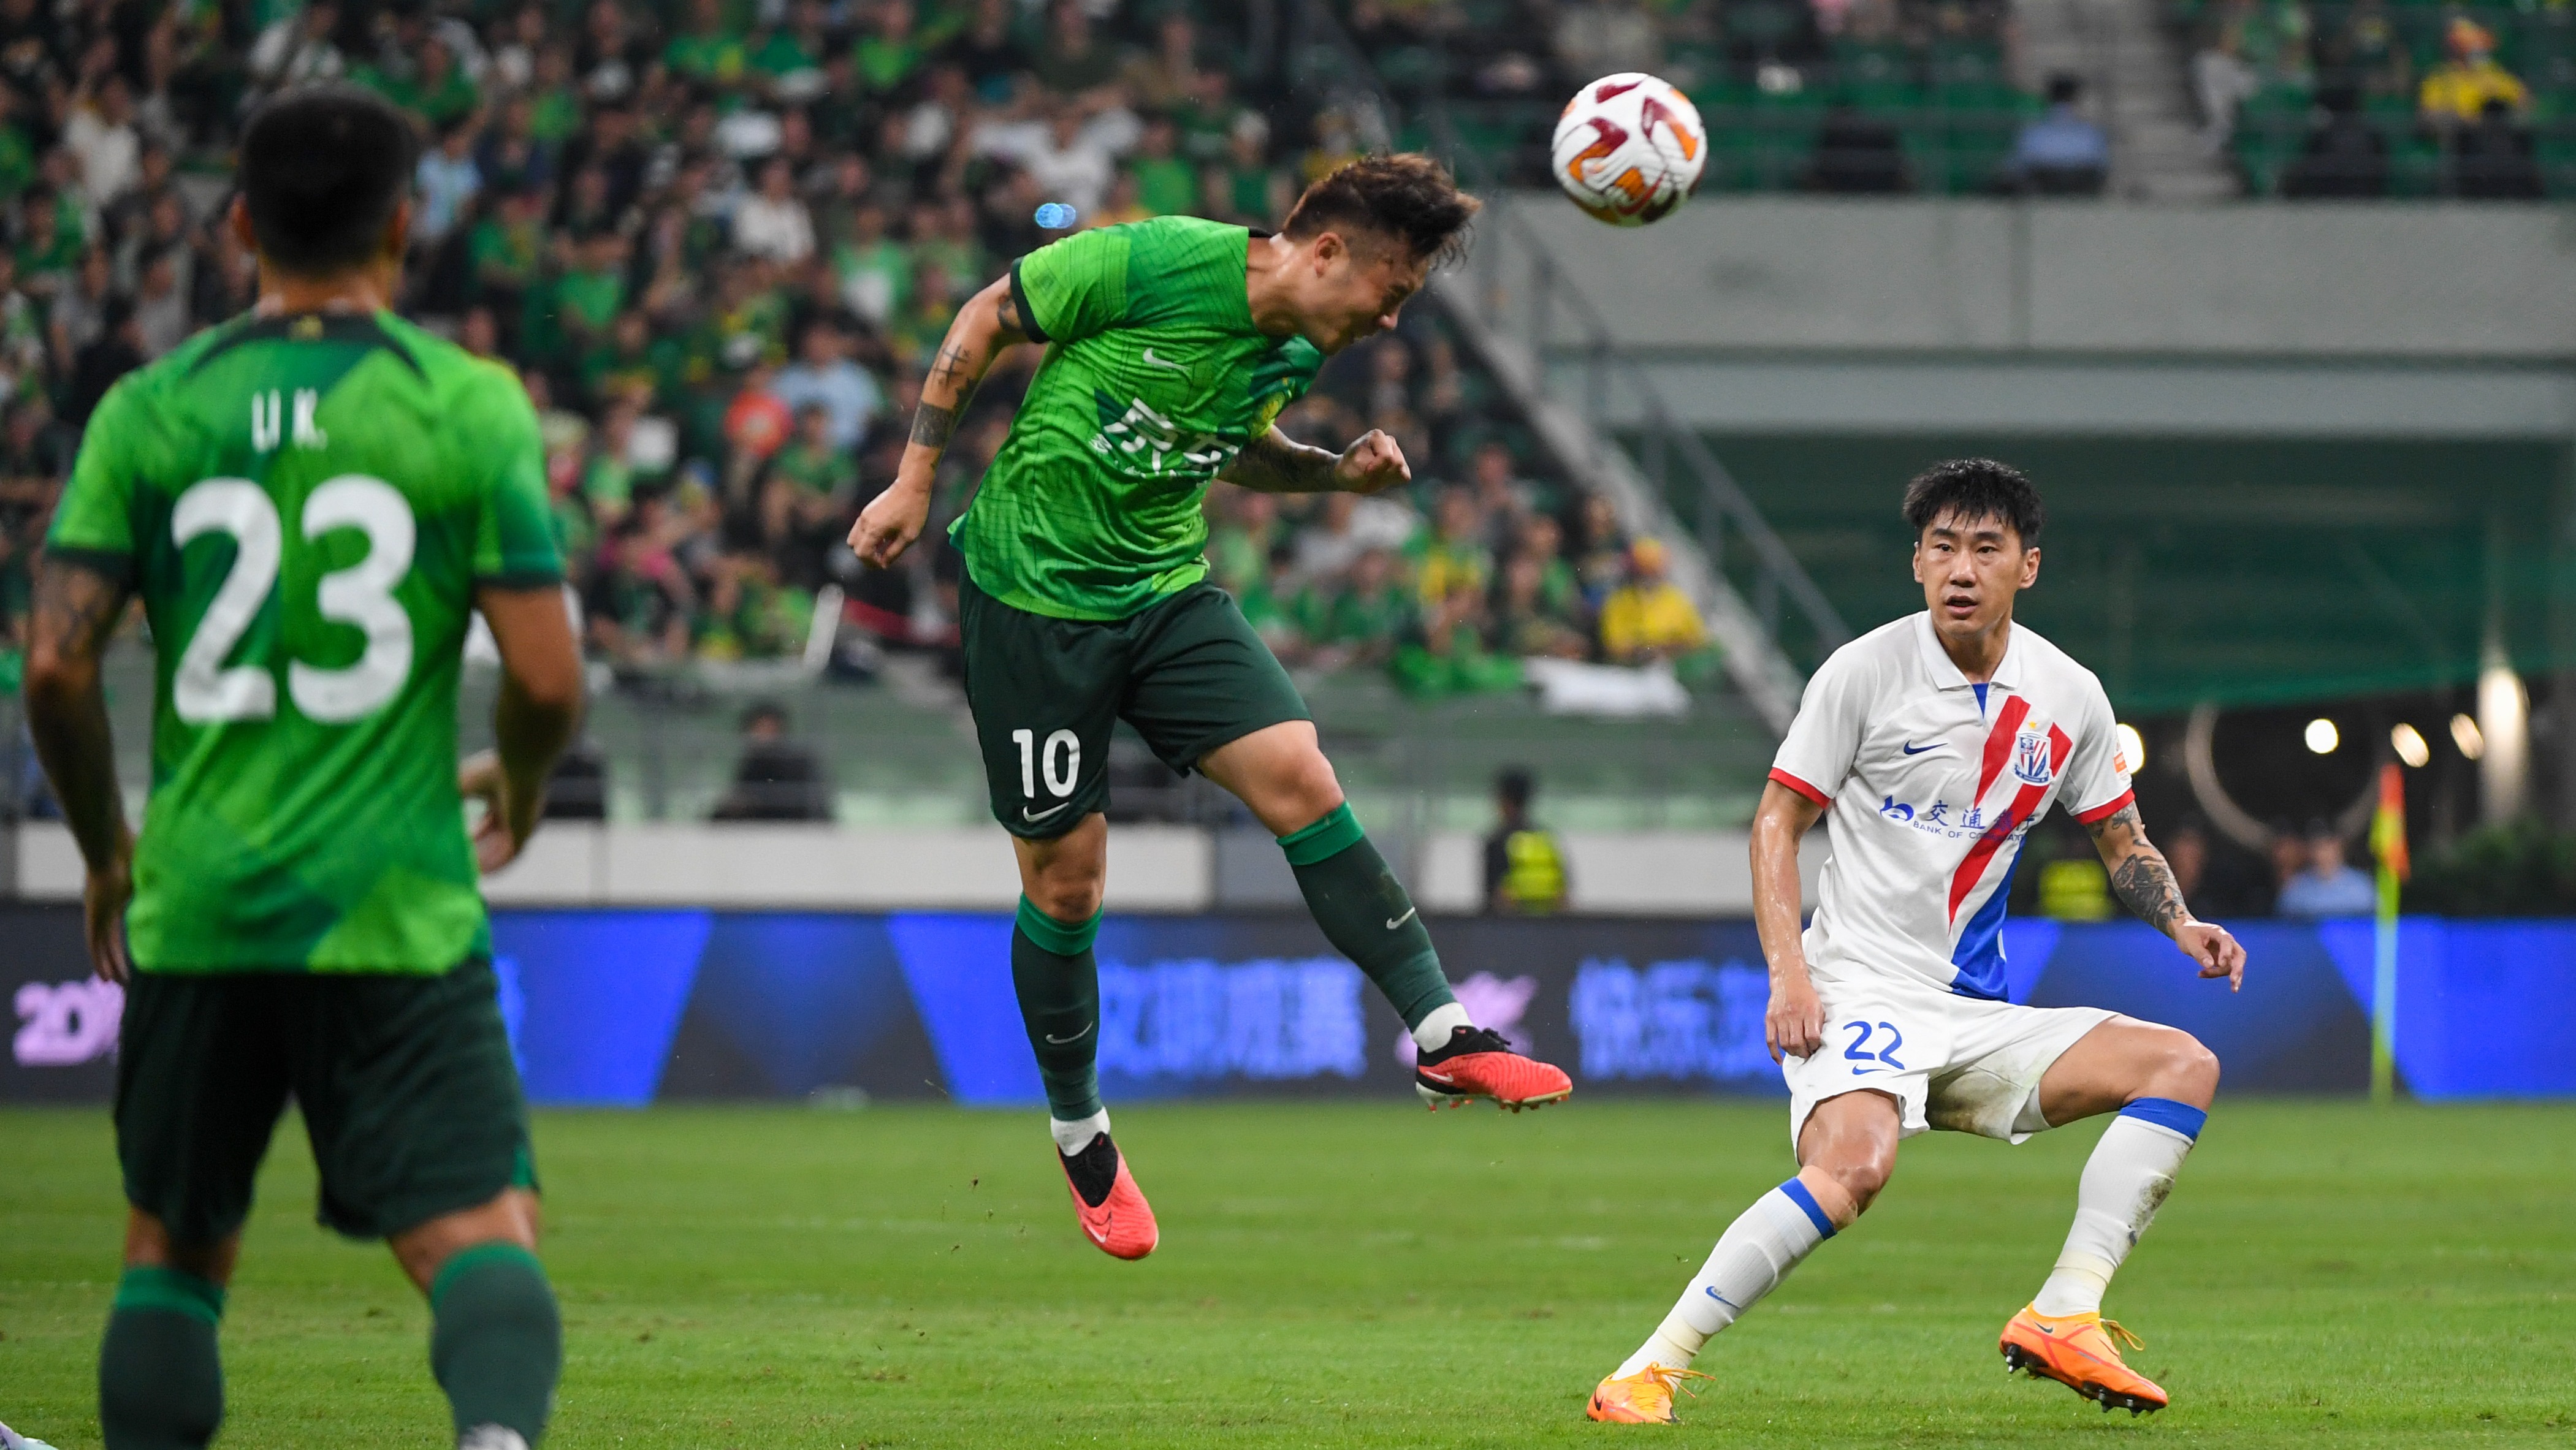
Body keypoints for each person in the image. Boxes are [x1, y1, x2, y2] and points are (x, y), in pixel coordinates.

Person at [848, 154, 1572, 1261]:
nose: (1390, 319)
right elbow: (989, 314)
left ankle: (1441, 1031)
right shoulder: (1156, 259)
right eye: (1389, 288)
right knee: (1067, 882)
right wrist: (914, 477)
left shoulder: (1296, 348)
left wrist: (1330, 474)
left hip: (1164, 593)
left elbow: (1227, 444)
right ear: (1324, 252)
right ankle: (1081, 1131)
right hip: (1033, 600)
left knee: (1302, 778)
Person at [23, 86, 584, 1450]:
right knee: (481, 1233)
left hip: (201, 897)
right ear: (404, 226)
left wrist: (104, 849)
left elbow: (53, 666)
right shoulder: (464, 405)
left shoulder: (152, 410)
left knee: (172, 1251)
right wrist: (518, 782)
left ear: (237, 227)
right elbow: (546, 678)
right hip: (392, 900)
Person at [1587, 459, 2246, 1424]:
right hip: (1856, 986)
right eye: (1941, 547)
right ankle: (1649, 1368)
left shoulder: (2068, 694)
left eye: (1984, 548)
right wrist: (1789, 975)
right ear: (1916, 562)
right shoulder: (1862, 673)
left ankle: (2065, 1311)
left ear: (2027, 566)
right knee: (1854, 1168)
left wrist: (2181, 921)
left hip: (1970, 1011)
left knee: (2181, 1065)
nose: (1960, 569)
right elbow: (1775, 823)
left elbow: (2121, 839)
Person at [710, 701, 831, 821]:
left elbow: (809, 804)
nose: (764, 735)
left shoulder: (798, 762)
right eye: (760, 728)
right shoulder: (753, 762)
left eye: (769, 729)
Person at [1598, 536, 1707, 666]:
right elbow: (1613, 645)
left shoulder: (1677, 600)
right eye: (1644, 567)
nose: (1649, 574)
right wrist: (1645, 650)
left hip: (1674, 667)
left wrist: (1668, 648)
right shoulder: (1618, 601)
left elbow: (1698, 640)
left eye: (1653, 567)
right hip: (1630, 669)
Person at [1482, 767, 1569, 914]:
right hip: (1548, 925)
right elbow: (1563, 897)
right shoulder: (1547, 839)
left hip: (1511, 925)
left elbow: (1493, 897)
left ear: (1504, 799)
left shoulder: (1497, 841)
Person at [2006, 75, 2110, 195]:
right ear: (2075, 97)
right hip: (2077, 190)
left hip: (2045, 190)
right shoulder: (2091, 133)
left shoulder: (2032, 133)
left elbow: (2018, 165)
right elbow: (2101, 166)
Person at [2275, 819, 2376, 917]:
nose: (2322, 853)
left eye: (2327, 846)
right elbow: (2281, 923)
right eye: (2317, 847)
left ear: (2339, 846)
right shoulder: (2296, 888)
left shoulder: (2362, 885)